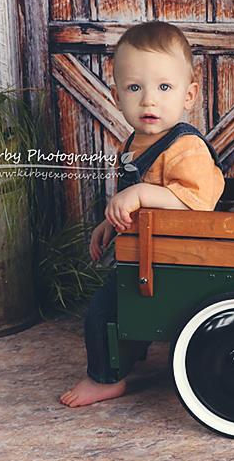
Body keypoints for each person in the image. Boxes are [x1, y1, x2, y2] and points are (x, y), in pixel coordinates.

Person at [61, 21, 224, 407]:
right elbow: (137, 202)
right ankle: (128, 353)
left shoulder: (186, 149)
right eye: (135, 88)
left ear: (189, 95)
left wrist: (139, 193)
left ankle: (104, 378)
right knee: (125, 301)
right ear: (116, 96)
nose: (149, 100)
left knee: (103, 311)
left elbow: (198, 202)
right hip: (151, 251)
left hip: (182, 258)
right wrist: (111, 224)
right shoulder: (135, 142)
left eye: (164, 88)